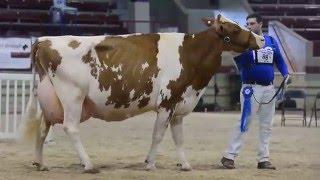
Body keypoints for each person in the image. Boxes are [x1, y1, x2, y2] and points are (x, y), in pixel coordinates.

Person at [220, 13, 291, 170]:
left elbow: (279, 59)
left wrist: (286, 74)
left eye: (252, 23)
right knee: (245, 122)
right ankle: (229, 156)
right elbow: (242, 63)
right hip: (250, 88)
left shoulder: (271, 41)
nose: (249, 26)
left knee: (267, 125)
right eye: (247, 24)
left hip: (269, 89)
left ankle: (263, 159)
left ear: (260, 24)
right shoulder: (243, 44)